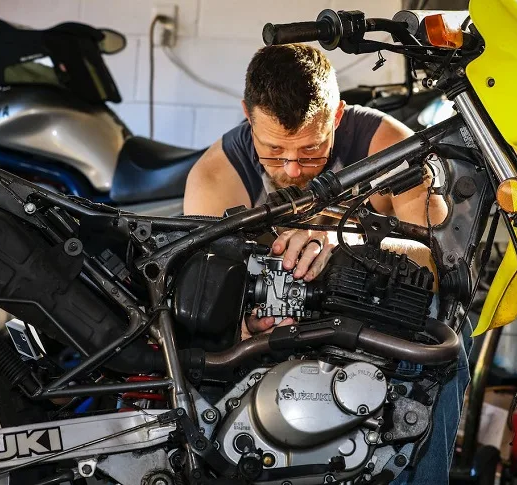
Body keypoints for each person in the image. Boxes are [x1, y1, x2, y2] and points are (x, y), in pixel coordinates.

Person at [184, 43, 471, 485]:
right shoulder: (217, 177)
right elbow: (195, 302)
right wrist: (242, 327)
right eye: (275, 149)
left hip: (368, 319)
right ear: (247, 114)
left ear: (336, 116)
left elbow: (436, 264)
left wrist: (349, 243)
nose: (294, 169)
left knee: (443, 330)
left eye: (312, 149)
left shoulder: (388, 147)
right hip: (272, 342)